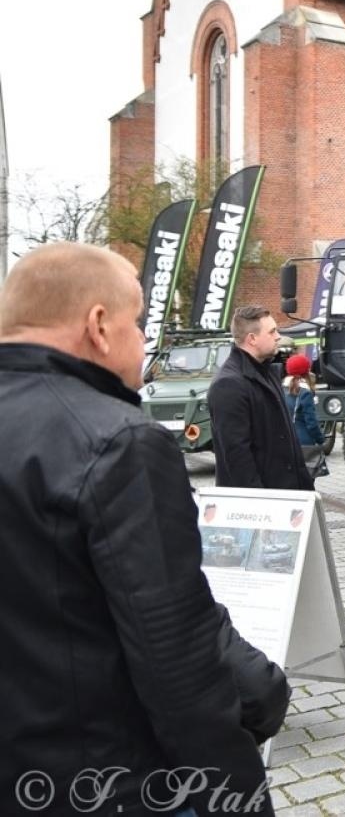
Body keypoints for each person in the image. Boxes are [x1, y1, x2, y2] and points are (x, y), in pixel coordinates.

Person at [0, 243, 287, 817]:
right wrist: (237, 792)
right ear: (99, 326)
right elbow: (174, 649)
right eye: (137, 325)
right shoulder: (118, 441)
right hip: (102, 775)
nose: (142, 346)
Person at [209, 304, 315, 491]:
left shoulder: (266, 371)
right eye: (272, 332)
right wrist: (259, 505)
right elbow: (237, 455)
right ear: (252, 339)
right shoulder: (228, 385)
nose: (278, 336)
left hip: (288, 495)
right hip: (261, 504)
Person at [284, 351, 328, 479]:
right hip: (304, 443)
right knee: (307, 483)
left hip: (285, 442)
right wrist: (321, 440)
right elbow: (311, 423)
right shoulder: (305, 392)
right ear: (306, 372)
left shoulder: (280, 389)